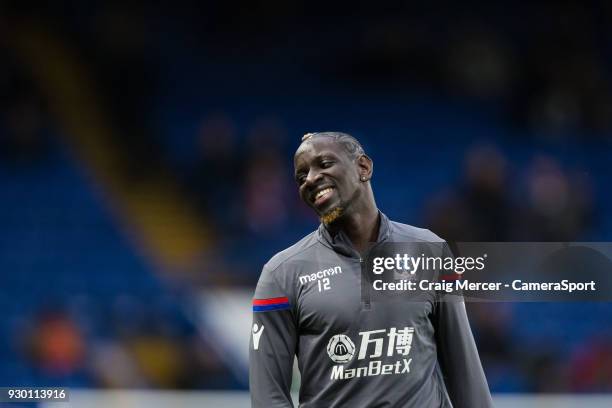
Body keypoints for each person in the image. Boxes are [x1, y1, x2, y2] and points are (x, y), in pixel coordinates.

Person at [249, 132, 493, 407]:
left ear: (363, 168)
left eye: (324, 164)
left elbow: (464, 371)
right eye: (301, 176)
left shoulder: (429, 250)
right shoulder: (282, 273)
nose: (310, 179)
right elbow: (267, 397)